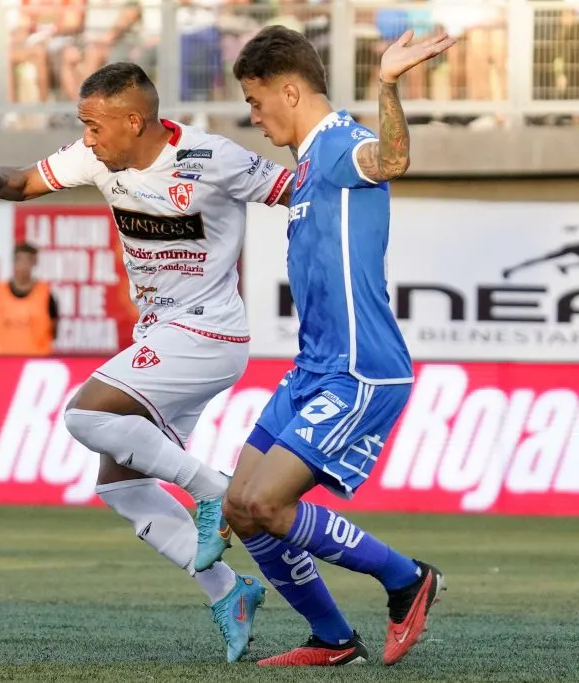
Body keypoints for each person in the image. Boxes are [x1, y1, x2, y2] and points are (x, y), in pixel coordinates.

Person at [0, 61, 292, 662]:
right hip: (163, 336)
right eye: (83, 127)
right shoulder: (99, 156)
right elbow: (23, 183)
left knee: (84, 415)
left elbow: (294, 191)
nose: (87, 139)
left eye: (95, 126)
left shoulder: (212, 157)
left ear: (134, 120)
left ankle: (215, 493)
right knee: (122, 487)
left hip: (208, 334)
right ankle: (229, 592)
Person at [193, 25, 455, 667]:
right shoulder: (308, 166)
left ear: (289, 90)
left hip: (361, 370)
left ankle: (407, 579)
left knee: (265, 503)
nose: (253, 118)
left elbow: (390, 160)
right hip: (311, 370)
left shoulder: (341, 145)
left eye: (256, 103)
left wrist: (387, 85)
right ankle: (334, 641)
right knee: (239, 506)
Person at [0, 242, 59, 356]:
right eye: (19, 260)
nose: (23, 265)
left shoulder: (45, 294)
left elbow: (54, 329)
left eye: (27, 261)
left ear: (34, 262)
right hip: (4, 361)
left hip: (37, 361)